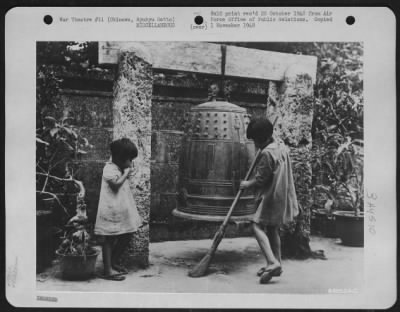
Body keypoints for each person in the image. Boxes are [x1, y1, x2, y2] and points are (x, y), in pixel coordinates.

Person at [240, 117, 299, 284]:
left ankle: (272, 262)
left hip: (272, 196)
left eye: (256, 141)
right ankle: (276, 264)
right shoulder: (281, 146)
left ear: (264, 138)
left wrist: (246, 184)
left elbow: (260, 180)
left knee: (256, 225)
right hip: (282, 195)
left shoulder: (267, 153)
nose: (255, 145)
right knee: (272, 229)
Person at [94, 138, 143, 281]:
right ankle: (107, 270)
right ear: (119, 158)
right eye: (128, 159)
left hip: (121, 208)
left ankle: (114, 262)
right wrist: (126, 173)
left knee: (128, 233)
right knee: (108, 239)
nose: (130, 163)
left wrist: (126, 170)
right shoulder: (109, 168)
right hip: (110, 210)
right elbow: (115, 185)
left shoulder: (119, 166)